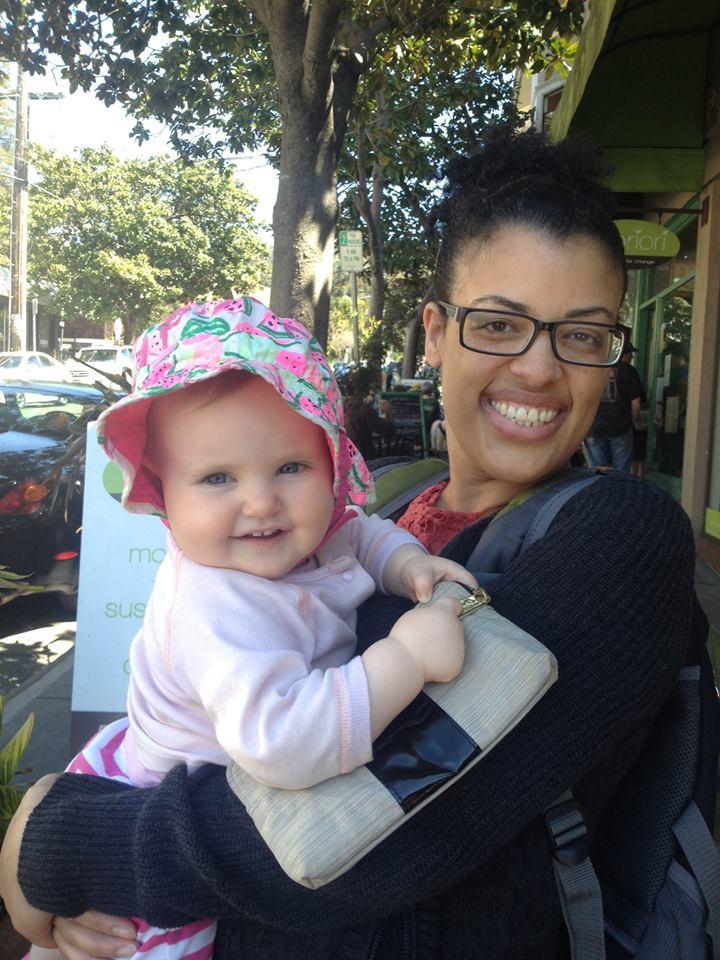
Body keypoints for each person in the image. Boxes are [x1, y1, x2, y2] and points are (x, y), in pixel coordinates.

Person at [1, 128, 695, 960]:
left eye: (581, 336)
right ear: (434, 332)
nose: (541, 370)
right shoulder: (379, 508)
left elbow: (360, 828)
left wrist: (53, 839)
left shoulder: (617, 540)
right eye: (500, 324)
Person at [24, 297, 473, 960]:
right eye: (217, 478)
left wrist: (404, 562)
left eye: (291, 467)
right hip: (162, 813)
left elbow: (359, 531)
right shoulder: (215, 608)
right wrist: (404, 658)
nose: (261, 502)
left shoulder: (313, 529)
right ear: (164, 494)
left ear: (329, 461)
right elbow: (285, 744)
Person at [583, 333, 645, 473]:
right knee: (621, 472)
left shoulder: (593, 369)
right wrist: (630, 422)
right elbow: (636, 404)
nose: (631, 358)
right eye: (631, 355)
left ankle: (600, 493)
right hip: (620, 427)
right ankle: (618, 494)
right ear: (625, 355)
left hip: (594, 427)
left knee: (598, 471)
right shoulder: (629, 371)